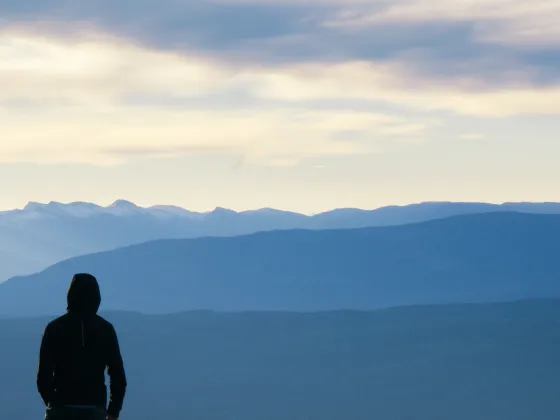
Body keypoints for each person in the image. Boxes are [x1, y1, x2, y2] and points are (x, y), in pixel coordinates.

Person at [37, 273, 127, 420]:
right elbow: (118, 376)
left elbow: (43, 377)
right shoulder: (106, 329)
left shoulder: (54, 328)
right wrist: (113, 411)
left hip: (60, 409)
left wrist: (53, 402)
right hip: (94, 409)